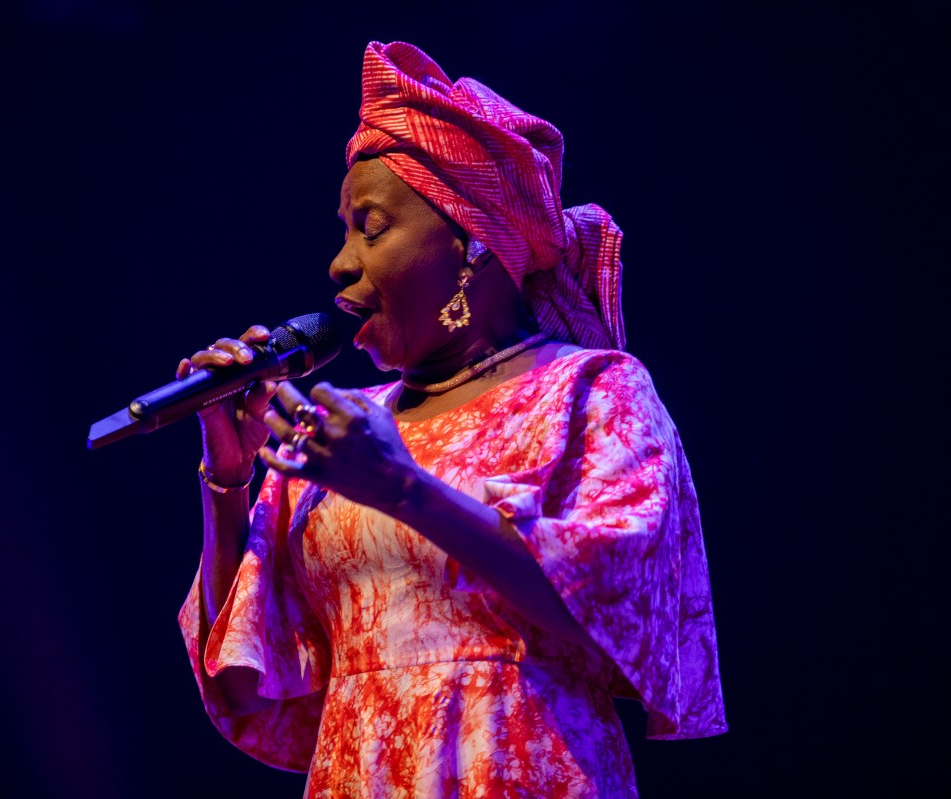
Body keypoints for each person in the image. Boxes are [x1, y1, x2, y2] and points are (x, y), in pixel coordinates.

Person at [175, 41, 725, 798]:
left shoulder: (593, 391)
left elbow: (618, 603)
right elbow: (240, 685)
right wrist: (229, 481)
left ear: (469, 244)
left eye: (369, 227)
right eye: (342, 231)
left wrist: (400, 485)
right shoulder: (341, 432)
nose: (339, 262)